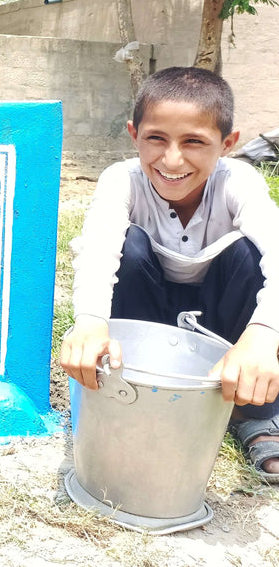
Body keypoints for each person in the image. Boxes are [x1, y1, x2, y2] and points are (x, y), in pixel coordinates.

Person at [60, 66, 279, 483]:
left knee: (248, 256)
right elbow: (98, 249)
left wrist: (264, 335)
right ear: (133, 134)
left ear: (228, 144)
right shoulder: (121, 180)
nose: (172, 159)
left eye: (194, 142)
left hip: (220, 325)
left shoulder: (239, 182)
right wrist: (89, 323)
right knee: (130, 247)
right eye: (156, 138)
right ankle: (134, 394)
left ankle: (255, 412)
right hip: (146, 320)